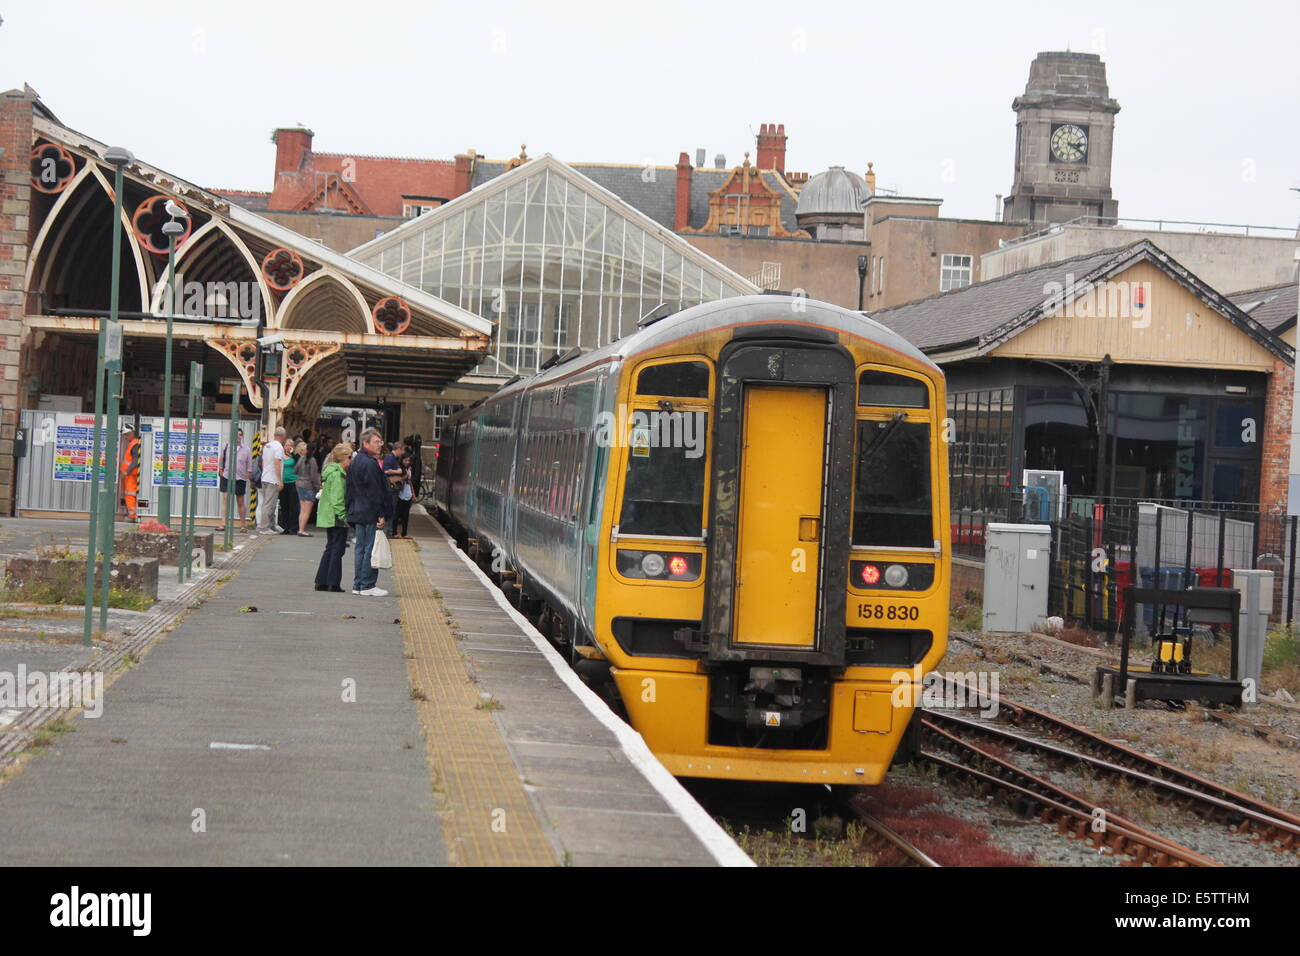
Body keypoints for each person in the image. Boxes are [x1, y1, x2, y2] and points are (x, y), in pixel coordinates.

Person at [346, 427, 393, 596]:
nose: (380, 445)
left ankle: (358, 584)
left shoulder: (355, 461)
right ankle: (367, 585)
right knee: (370, 548)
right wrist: (381, 514)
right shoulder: (370, 464)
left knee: (360, 548)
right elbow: (375, 492)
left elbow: (349, 489)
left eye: (380, 441)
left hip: (358, 510)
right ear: (365, 443)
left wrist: (349, 509)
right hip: (370, 512)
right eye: (376, 442)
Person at [313, 442, 351, 592]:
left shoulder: (330, 472)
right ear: (342, 458)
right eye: (349, 457)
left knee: (330, 547)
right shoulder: (338, 475)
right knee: (337, 549)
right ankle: (333, 582)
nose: (351, 460)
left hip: (328, 515)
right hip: (336, 516)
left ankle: (321, 581)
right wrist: (344, 516)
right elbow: (337, 499)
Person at [218, 428, 253, 532]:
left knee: (240, 501)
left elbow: (249, 463)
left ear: (242, 436)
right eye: (236, 434)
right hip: (227, 476)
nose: (238, 436)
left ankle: (243, 525)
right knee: (225, 499)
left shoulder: (246, 449)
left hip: (240, 477)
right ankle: (223, 524)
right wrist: (220, 469)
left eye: (240, 435)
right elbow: (222, 459)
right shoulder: (227, 447)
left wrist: (248, 473)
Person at [257, 426, 286, 534]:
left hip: (265, 477)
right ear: (283, 436)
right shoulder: (278, 447)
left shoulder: (267, 445)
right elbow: (277, 463)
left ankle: (272, 525)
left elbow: (264, 462)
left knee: (270, 503)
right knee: (269, 504)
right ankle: (264, 527)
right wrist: (279, 480)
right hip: (273, 479)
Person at [294, 439, 320, 537]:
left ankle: (300, 528)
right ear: (314, 450)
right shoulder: (312, 460)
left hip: (299, 484)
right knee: (307, 510)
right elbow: (314, 476)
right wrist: (317, 487)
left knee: (302, 509)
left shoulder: (302, 458)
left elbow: (295, 470)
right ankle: (302, 530)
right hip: (309, 485)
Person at [119, 423, 141, 522]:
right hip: (130, 475)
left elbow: (135, 461)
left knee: (130, 494)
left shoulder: (135, 444)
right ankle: (132, 515)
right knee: (129, 494)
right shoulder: (133, 443)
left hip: (131, 475)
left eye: (127, 434)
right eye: (125, 435)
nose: (125, 437)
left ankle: (132, 516)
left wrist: (126, 472)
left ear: (132, 433)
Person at [279, 441, 300, 535]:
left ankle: (294, 527)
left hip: (293, 482)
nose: (288, 447)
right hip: (283, 483)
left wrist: (293, 453)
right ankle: (285, 527)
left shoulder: (295, 456)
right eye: (286, 445)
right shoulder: (281, 455)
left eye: (290, 445)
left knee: (293, 506)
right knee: (284, 506)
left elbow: (300, 462)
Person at [393, 451, 414, 538]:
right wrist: (403, 478)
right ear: (402, 460)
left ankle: (404, 533)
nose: (407, 462)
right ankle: (394, 532)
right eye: (405, 460)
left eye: (409, 460)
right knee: (396, 515)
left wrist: (413, 494)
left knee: (406, 515)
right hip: (400, 495)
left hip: (407, 495)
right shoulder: (399, 469)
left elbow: (410, 482)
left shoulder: (409, 469)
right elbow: (395, 481)